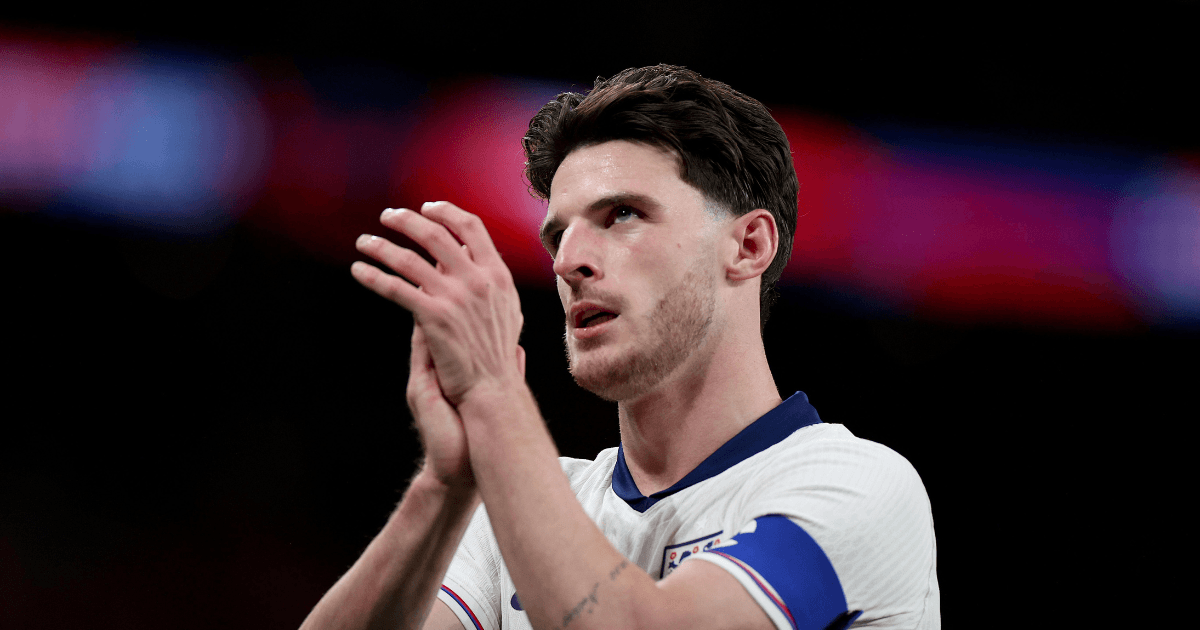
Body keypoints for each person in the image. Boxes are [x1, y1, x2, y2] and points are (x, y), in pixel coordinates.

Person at [301, 64, 939, 630]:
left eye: (623, 215)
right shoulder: (523, 508)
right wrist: (444, 489)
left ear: (748, 247)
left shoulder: (855, 485)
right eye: (558, 236)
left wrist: (495, 394)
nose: (568, 261)